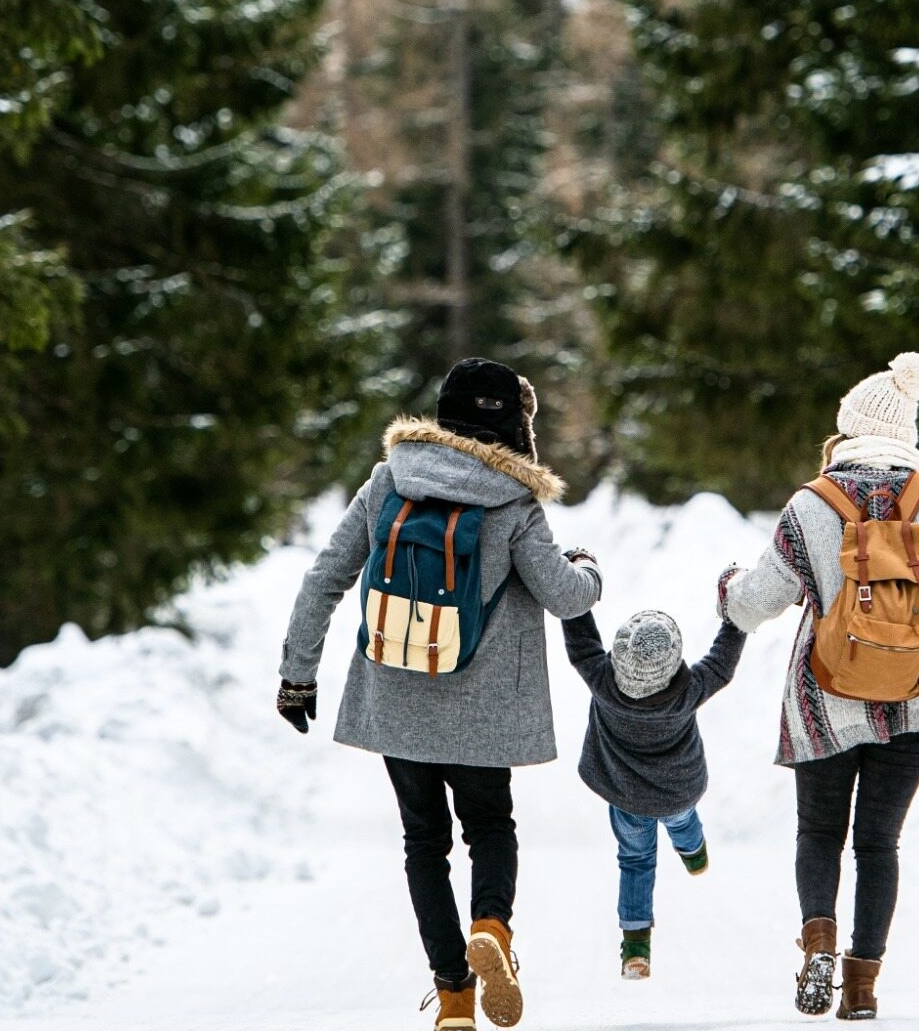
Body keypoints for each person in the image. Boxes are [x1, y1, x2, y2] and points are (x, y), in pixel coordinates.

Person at [276, 359, 601, 1031]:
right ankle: (492, 929)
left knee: (424, 842)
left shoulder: (390, 479)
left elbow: (324, 579)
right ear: (513, 423)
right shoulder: (513, 500)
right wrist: (588, 567)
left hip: (397, 698)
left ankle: (454, 998)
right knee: (489, 828)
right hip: (484, 710)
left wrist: (297, 675)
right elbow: (566, 596)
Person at [718, 352, 919, 1020]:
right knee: (879, 843)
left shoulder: (811, 503)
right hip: (914, 698)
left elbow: (757, 602)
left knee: (819, 833)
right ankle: (861, 989)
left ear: (848, 429)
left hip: (823, 700)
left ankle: (818, 944)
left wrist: (728, 594)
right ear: (906, 434)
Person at [560, 606, 746, 979]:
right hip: (678, 792)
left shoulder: (602, 681)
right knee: (684, 823)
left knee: (635, 861)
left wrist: (575, 582)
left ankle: (636, 949)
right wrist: (736, 616)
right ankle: (693, 854)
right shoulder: (688, 690)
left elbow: (582, 643)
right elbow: (721, 665)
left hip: (627, 799)